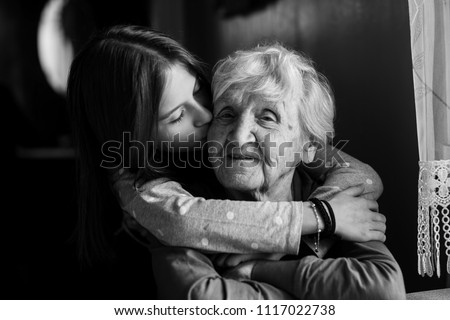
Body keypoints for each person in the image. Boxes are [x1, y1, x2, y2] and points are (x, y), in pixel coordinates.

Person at [67, 25, 385, 268]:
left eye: (199, 91)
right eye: (178, 115)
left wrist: (317, 234)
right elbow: (185, 221)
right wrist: (319, 217)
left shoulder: (227, 128)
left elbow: (357, 172)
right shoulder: (137, 183)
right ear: (138, 138)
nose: (206, 114)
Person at [150, 43, 406, 299]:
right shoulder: (185, 203)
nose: (239, 137)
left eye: (267, 117)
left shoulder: (335, 196)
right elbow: (200, 300)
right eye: (227, 114)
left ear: (310, 147)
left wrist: (258, 270)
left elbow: (382, 289)